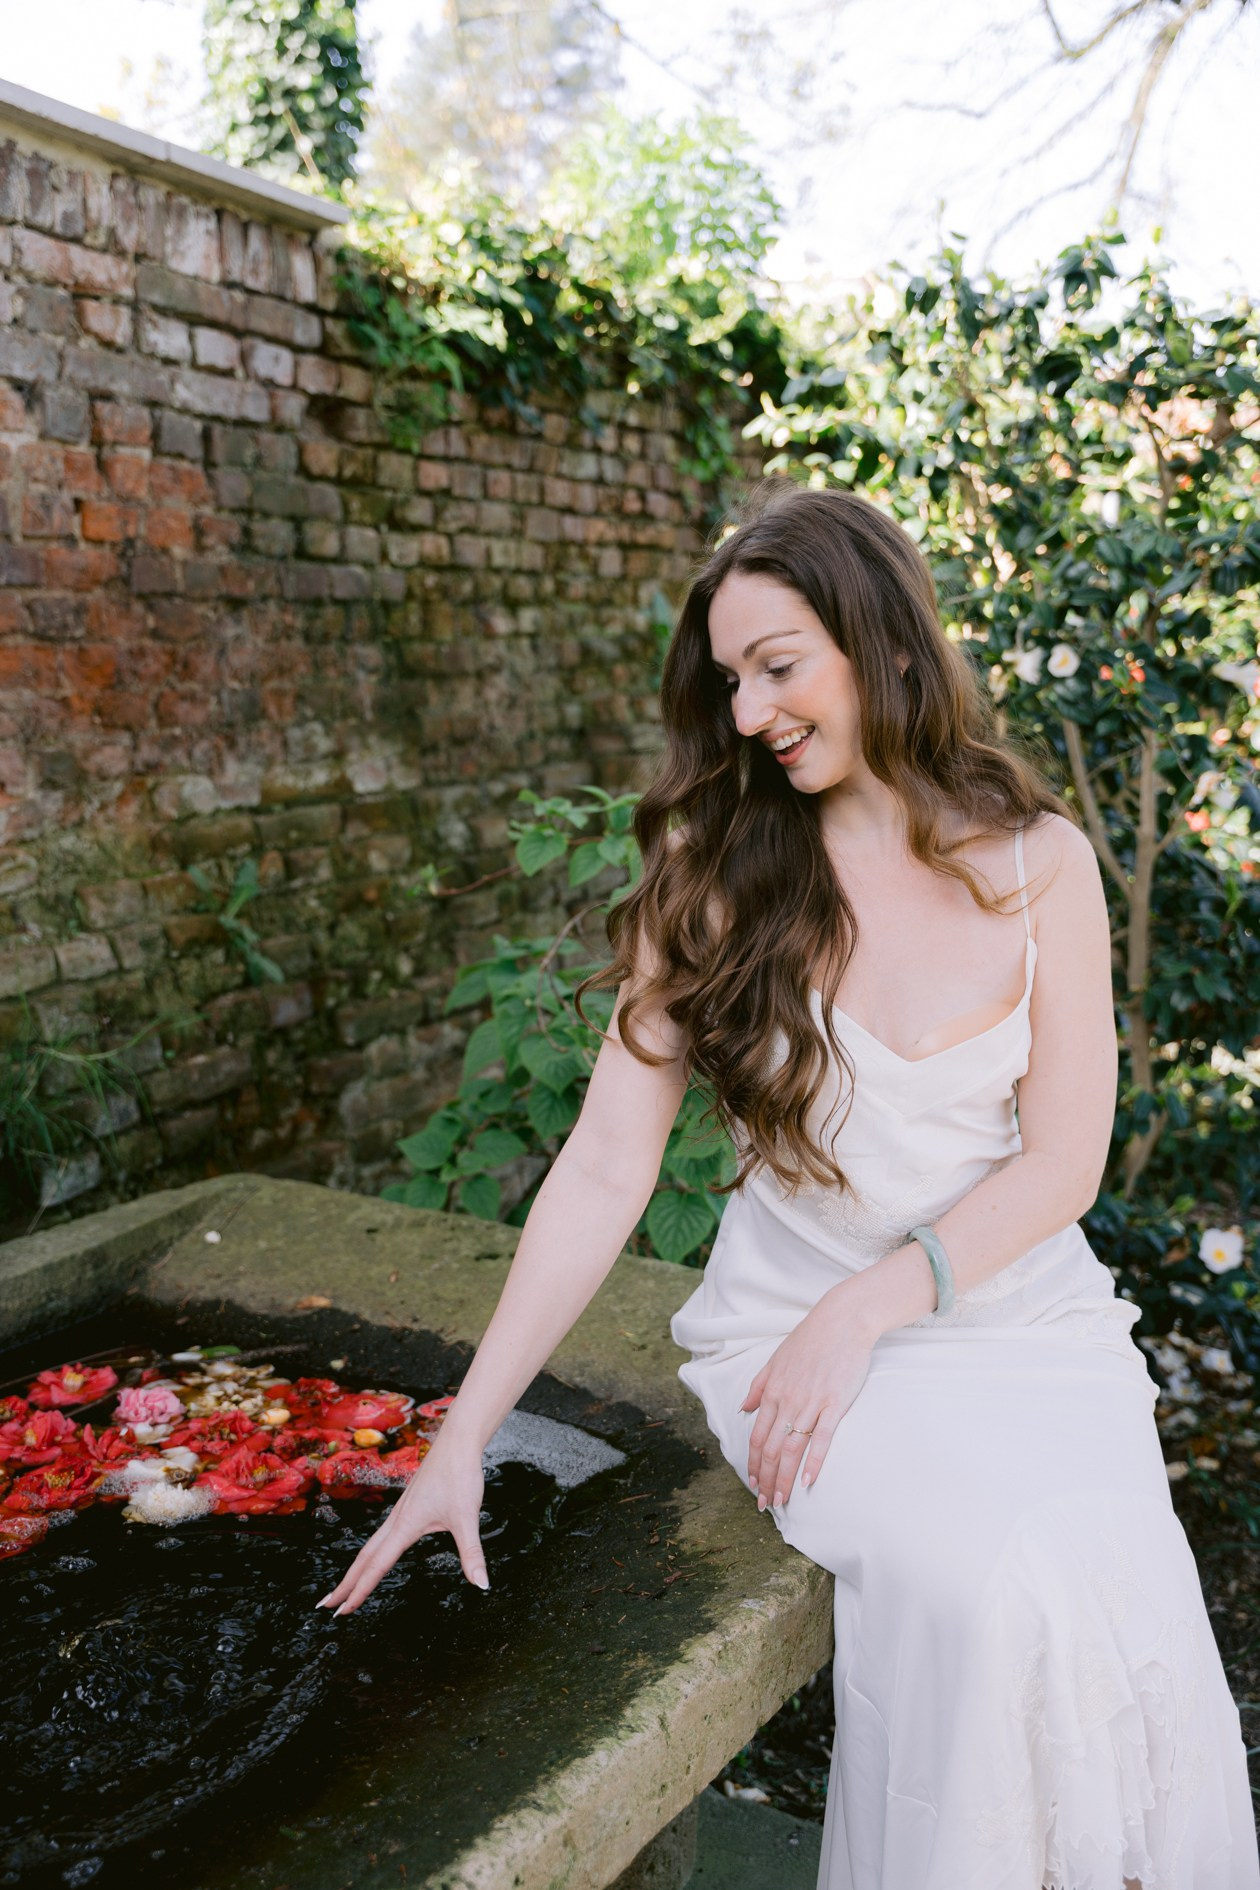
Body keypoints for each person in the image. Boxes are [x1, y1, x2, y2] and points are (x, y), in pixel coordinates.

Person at [318, 481, 1259, 1888]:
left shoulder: (1040, 862)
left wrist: (881, 1300)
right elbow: (605, 1166)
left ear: (877, 638)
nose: (749, 713)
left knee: (1113, 1581)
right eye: (730, 681)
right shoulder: (715, 872)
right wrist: (466, 1429)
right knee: (982, 1591)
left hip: (1015, 1310)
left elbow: (1064, 1162)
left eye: (776, 667)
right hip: (789, 1323)